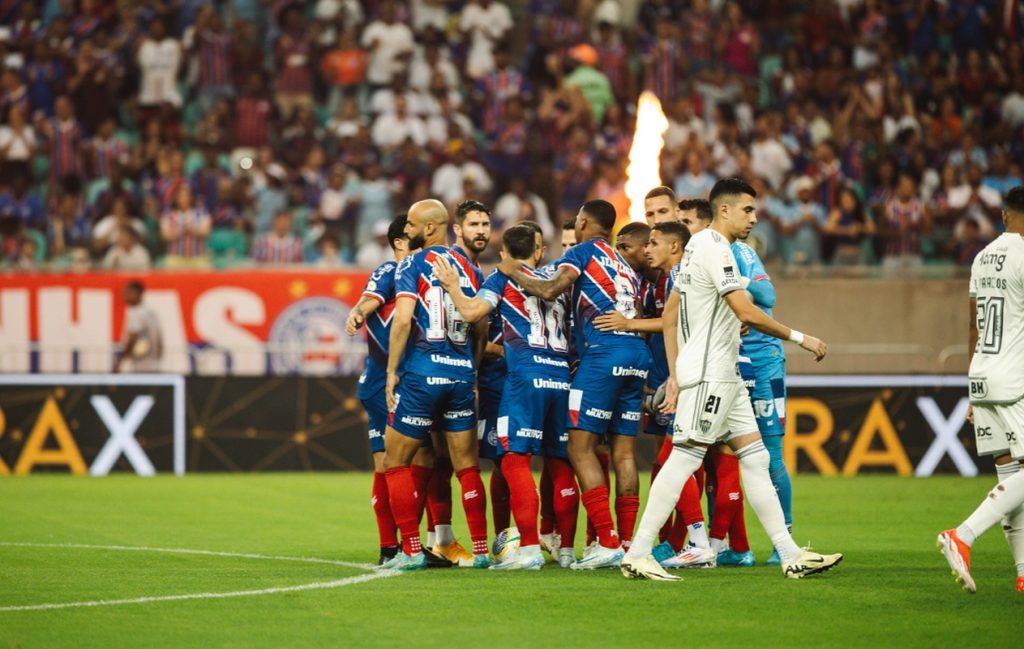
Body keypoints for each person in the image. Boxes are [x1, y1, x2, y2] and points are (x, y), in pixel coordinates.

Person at [620, 177, 842, 581]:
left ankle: (790, 553)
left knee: (755, 459)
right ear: (724, 210)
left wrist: (678, 366)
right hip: (710, 376)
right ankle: (637, 552)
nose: (755, 218)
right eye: (748, 210)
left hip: (725, 374)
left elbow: (674, 312)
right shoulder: (712, 247)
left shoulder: (696, 251)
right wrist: (800, 337)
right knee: (685, 457)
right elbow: (746, 310)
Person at [497, 199, 651, 569]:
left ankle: (608, 541)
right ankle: (628, 544)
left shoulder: (582, 252)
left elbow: (550, 289)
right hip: (637, 354)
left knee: (579, 449)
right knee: (625, 454)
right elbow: (639, 312)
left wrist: (511, 271)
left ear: (582, 222)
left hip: (603, 355)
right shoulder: (623, 264)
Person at [433, 223, 579, 569]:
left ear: (504, 252)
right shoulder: (555, 281)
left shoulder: (500, 279)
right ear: (538, 251)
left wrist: (453, 287)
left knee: (514, 460)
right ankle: (569, 550)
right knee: (560, 463)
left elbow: (471, 313)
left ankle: (528, 551)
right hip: (560, 378)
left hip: (524, 378)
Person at [383, 199, 490, 570]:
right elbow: (481, 325)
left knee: (395, 462)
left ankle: (411, 550)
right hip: (461, 374)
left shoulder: (411, 263)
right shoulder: (470, 267)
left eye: (411, 226)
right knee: (467, 466)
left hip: (423, 375)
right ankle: (479, 550)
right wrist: (472, 371)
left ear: (428, 229)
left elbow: (402, 321)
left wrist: (391, 372)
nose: (406, 232)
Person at [938, 186, 1024, 594]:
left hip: (983, 373)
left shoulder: (981, 256)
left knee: (1010, 478)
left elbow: (973, 324)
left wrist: (972, 386)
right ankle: (963, 535)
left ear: (1005, 215)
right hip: (1016, 378)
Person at [345, 215, 434, 566]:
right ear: (400, 241)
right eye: (414, 233)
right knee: (406, 461)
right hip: (387, 381)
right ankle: (403, 545)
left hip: (395, 379)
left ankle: (394, 547)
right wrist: (356, 312)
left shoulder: (423, 271)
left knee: (393, 463)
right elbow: (369, 300)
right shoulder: (392, 271)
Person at [732, 224, 789, 567]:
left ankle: (785, 538)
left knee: (771, 452)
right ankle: (727, 544)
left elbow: (768, 295)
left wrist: (740, 297)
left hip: (762, 356)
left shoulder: (741, 252)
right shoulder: (698, 254)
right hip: (727, 357)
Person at [114, 281, 162, 373]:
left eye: (127, 292)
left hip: (140, 364)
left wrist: (120, 361)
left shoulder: (136, 313)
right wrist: (158, 358)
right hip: (153, 363)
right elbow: (159, 340)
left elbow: (132, 339)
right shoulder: (151, 312)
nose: (124, 296)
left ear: (137, 293)